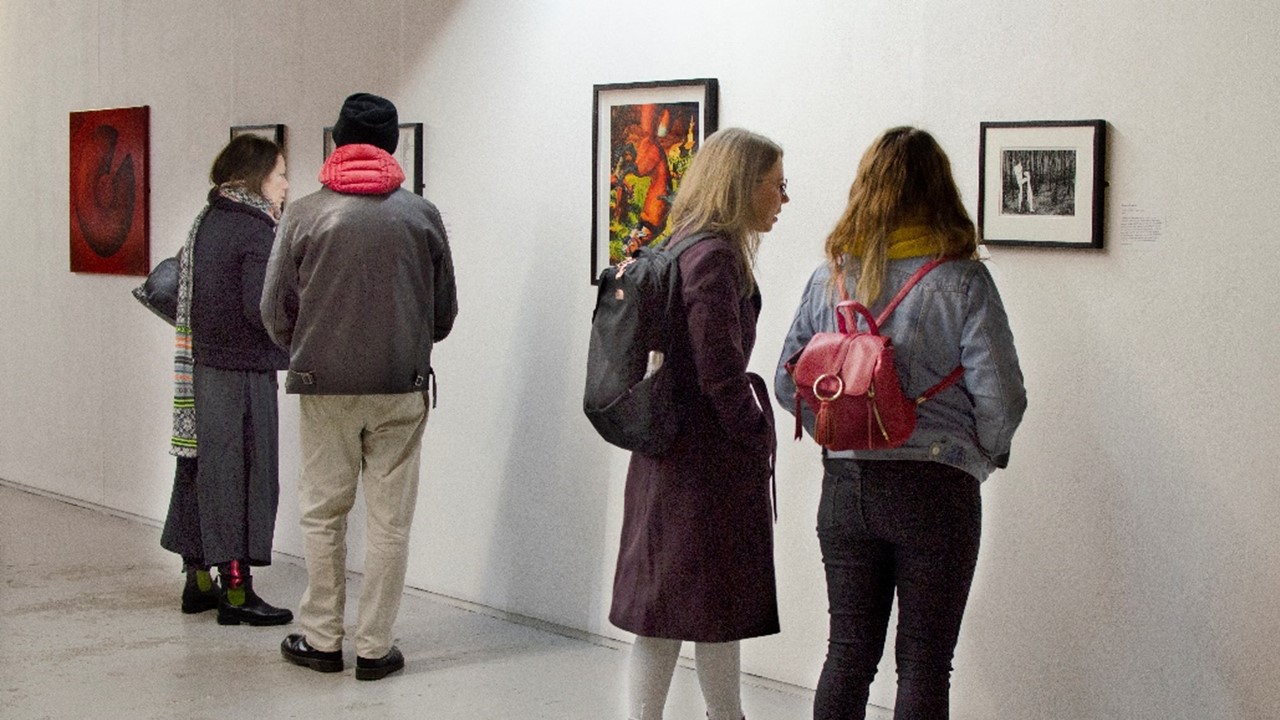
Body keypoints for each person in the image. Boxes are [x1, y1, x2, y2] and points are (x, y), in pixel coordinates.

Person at [774, 126, 1027, 719]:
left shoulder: (829, 277)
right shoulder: (962, 281)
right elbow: (1001, 397)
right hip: (936, 487)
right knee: (923, 663)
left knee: (847, 656)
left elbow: (790, 383)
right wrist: (980, 456)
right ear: (941, 191)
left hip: (845, 490)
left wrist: (840, 436)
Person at [261, 92, 458, 682]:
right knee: (390, 522)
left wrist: (308, 348)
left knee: (324, 514)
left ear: (337, 142)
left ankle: (322, 638)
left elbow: (274, 310)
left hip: (324, 386)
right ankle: (375, 647)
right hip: (400, 386)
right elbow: (444, 315)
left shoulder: (303, 214)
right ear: (393, 144)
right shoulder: (422, 215)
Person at [609, 127, 788, 720]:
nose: (784, 198)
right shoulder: (713, 257)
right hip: (702, 461)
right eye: (776, 184)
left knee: (684, 605)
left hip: (672, 450)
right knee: (702, 605)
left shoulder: (683, 242)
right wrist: (755, 429)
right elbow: (719, 369)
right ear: (743, 185)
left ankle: (712, 715)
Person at [159, 134, 294, 626]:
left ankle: (197, 579)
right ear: (257, 177)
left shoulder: (208, 220)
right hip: (243, 374)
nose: (284, 185)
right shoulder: (255, 229)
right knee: (245, 477)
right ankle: (236, 593)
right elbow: (261, 307)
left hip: (202, 369)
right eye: (280, 174)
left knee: (201, 468)